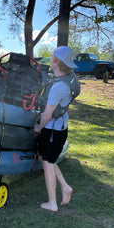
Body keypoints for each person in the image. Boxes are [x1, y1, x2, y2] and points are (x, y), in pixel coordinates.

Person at [34, 46, 77, 212]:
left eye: (53, 57)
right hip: (60, 128)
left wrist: (38, 127)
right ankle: (65, 187)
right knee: (48, 159)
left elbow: (47, 115)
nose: (50, 59)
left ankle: (52, 203)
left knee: (48, 164)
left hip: (52, 130)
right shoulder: (68, 78)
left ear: (57, 62)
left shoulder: (58, 87)